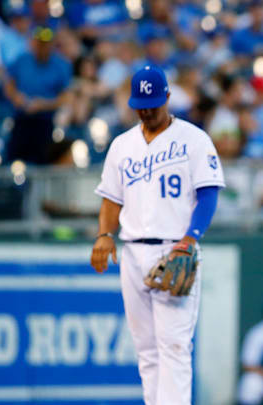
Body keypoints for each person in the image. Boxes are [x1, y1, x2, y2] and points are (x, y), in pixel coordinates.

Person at [90, 65, 225, 405]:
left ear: (167, 96)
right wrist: (105, 234)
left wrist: (190, 239)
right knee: (147, 349)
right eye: (141, 104)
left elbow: (208, 195)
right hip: (132, 251)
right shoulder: (122, 146)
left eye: (153, 102)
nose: (147, 110)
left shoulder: (194, 140)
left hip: (174, 249)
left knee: (175, 345)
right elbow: (111, 197)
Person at [4, 26, 72, 164]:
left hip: (46, 120)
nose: (42, 47)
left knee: (43, 159)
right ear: (33, 42)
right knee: (13, 156)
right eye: (39, 42)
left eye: (46, 43)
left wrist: (44, 104)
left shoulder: (61, 64)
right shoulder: (22, 60)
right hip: (21, 117)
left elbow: (67, 97)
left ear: (52, 44)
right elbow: (9, 84)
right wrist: (16, 97)